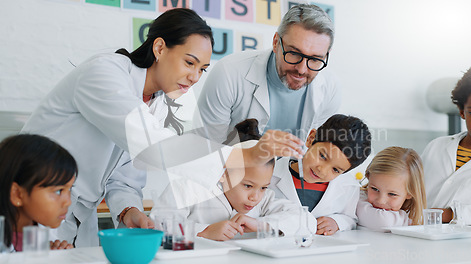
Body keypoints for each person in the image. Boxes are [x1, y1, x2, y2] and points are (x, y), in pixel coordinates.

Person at [20, 8, 305, 247]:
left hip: (76, 219)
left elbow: (124, 178)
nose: (195, 77)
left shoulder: (158, 102)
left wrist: (128, 210)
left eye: (202, 69)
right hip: (32, 206)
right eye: (189, 62)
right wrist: (245, 156)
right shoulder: (104, 74)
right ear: (159, 48)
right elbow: (155, 148)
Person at [194, 4, 340, 143]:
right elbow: (205, 148)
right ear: (276, 42)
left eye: (315, 59)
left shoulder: (329, 88)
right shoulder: (229, 73)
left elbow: (316, 153)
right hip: (229, 169)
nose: (301, 69)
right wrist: (253, 156)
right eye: (294, 53)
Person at [150, 119, 316, 241]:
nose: (255, 197)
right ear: (223, 172)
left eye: (263, 187)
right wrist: (204, 231)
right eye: (248, 185)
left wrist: (261, 225)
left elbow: (307, 220)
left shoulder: (264, 200)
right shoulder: (190, 186)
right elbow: (158, 223)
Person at [422, 62, 471, 225]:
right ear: (461, 111)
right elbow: (409, 186)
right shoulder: (436, 146)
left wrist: (439, 215)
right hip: (415, 232)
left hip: (464, 243)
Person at [269, 114, 371, 235]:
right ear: (311, 139)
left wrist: (337, 222)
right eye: (322, 156)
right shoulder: (270, 174)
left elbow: (350, 219)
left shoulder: (349, 187)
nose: (322, 170)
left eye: (335, 170)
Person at [0, 134, 77, 251]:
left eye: (69, 189)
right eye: (58, 191)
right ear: (17, 194)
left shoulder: (35, 232)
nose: (68, 202)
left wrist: (50, 255)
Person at [356, 147, 426, 231]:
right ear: (368, 177)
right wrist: (404, 220)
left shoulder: (414, 214)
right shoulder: (356, 198)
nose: (381, 201)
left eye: (392, 194)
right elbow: (384, 222)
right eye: (375, 189)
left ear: (410, 193)